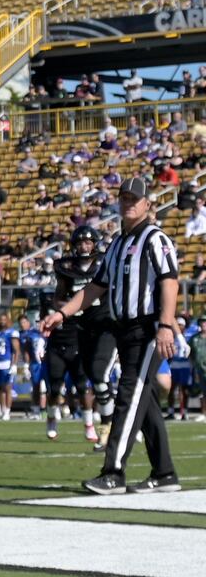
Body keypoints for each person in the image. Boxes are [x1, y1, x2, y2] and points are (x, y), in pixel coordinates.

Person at [42, 177, 181, 494]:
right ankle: (164, 472)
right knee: (144, 404)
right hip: (124, 329)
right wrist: (61, 313)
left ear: (148, 204)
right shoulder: (118, 245)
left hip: (147, 327)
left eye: (135, 198)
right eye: (124, 198)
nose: (129, 203)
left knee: (128, 397)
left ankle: (113, 472)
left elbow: (170, 281)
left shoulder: (154, 238)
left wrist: (165, 324)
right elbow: (94, 288)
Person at [43, 226, 111, 445]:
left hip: (96, 326)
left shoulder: (103, 264)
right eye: (81, 242)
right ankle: (52, 419)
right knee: (55, 385)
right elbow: (58, 298)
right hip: (71, 330)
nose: (85, 246)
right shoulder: (66, 268)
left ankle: (93, 424)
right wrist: (73, 307)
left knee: (87, 383)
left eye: (89, 242)